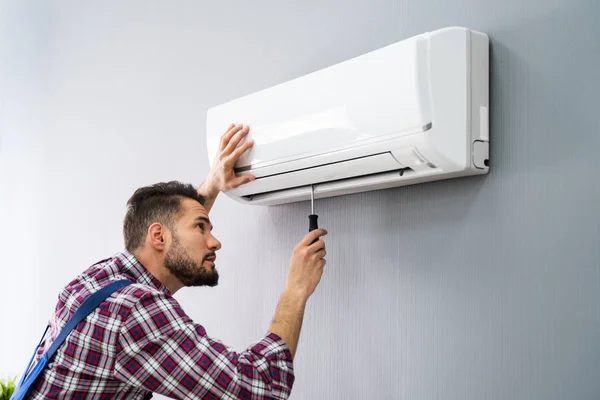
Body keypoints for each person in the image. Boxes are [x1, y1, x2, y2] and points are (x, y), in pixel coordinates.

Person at [25, 124, 328, 399]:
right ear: (157, 236)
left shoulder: (99, 280)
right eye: (201, 227)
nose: (215, 242)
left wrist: (211, 186)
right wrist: (296, 291)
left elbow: (166, 236)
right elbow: (257, 390)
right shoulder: (134, 310)